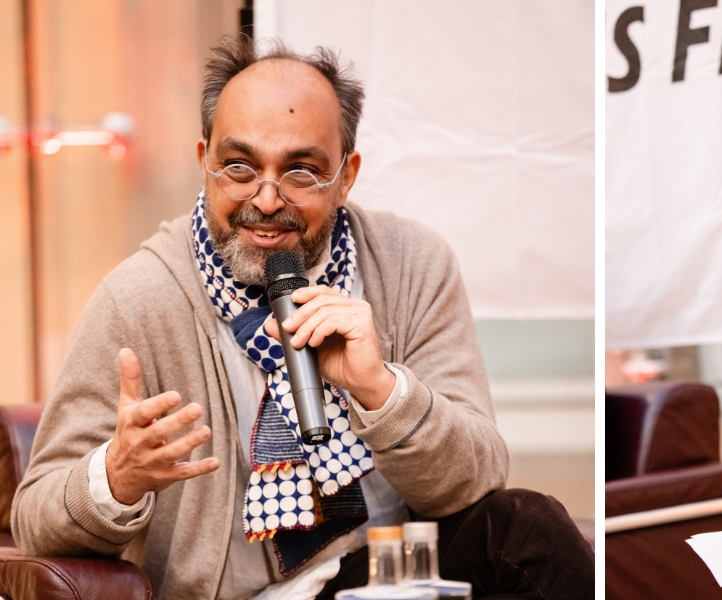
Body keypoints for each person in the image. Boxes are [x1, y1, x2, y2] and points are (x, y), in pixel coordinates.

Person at [12, 35, 593, 600]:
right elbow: (35, 519)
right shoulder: (137, 299)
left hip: (387, 572)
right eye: (239, 167)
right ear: (204, 162)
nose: (266, 200)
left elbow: (477, 478)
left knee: (528, 531)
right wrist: (117, 476)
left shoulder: (413, 264)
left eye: (300, 172)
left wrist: (381, 392)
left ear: (346, 176)